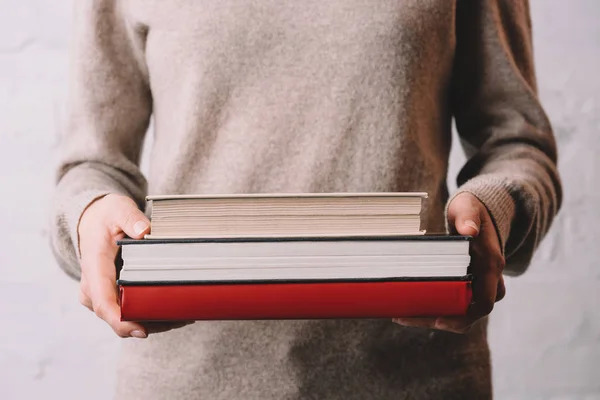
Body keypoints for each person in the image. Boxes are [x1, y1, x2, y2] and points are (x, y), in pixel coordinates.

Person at [50, 0, 561, 398]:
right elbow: (90, 164)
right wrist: (90, 214)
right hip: (186, 380)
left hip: (416, 376)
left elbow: (517, 145)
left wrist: (495, 209)